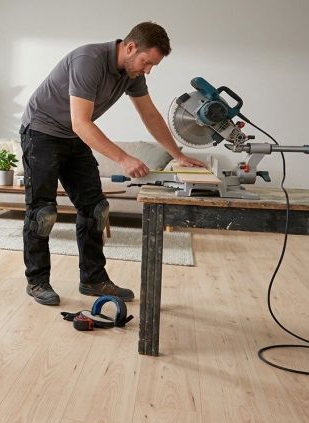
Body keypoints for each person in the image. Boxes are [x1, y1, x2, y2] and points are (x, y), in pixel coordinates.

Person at [20, 21, 204, 306]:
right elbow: (81, 123)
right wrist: (123, 158)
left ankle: (93, 279)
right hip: (41, 132)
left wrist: (177, 155)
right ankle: (37, 281)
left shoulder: (131, 73)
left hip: (73, 134)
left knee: (96, 209)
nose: (147, 70)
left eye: (152, 65)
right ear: (130, 47)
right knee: (42, 212)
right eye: (146, 62)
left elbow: (150, 115)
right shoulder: (88, 61)